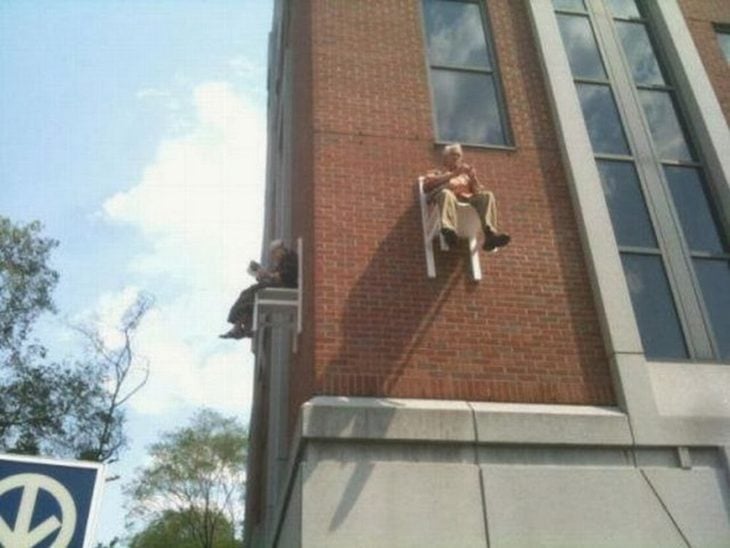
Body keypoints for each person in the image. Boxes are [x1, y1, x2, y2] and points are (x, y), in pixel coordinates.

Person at [423, 143, 511, 252]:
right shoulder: (437, 173)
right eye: (453, 154)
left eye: (459, 155)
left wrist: (473, 178)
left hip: (467, 200)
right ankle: (449, 231)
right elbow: (426, 187)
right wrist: (454, 174)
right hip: (448, 199)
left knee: (488, 195)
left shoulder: (465, 176)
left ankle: (490, 235)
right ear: (445, 158)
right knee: (446, 193)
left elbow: (478, 192)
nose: (457, 157)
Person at [220, 239, 298, 339]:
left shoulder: (289, 257)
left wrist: (268, 275)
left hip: (286, 286)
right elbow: (275, 276)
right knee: (250, 297)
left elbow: (287, 276)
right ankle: (240, 326)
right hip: (280, 287)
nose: (274, 257)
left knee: (250, 293)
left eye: (274, 253)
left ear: (280, 249)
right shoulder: (282, 261)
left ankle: (240, 327)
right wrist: (263, 275)